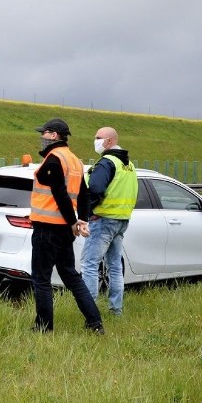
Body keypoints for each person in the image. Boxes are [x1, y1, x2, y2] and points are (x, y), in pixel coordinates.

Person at [29, 118, 104, 335]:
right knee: (70, 276)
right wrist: (81, 220)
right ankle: (94, 322)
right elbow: (83, 193)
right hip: (64, 230)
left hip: (48, 228)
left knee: (41, 279)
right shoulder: (74, 160)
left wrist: (74, 221)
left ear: (53, 135)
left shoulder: (54, 159)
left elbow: (60, 194)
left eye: (44, 133)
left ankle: (43, 328)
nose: (41, 137)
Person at [80, 127, 138, 316]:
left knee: (89, 265)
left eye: (98, 138)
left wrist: (89, 212)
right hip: (121, 220)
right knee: (114, 266)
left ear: (110, 141)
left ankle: (90, 313)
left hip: (103, 219)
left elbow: (95, 188)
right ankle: (116, 310)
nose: (95, 141)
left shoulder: (106, 162)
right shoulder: (128, 165)